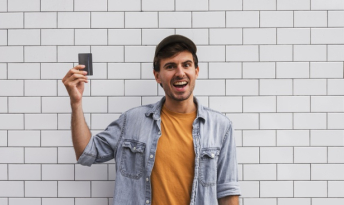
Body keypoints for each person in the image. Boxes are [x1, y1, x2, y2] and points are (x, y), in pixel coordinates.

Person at [62, 35, 241, 205]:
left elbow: (228, 193)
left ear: (196, 71)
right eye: (170, 66)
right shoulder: (132, 121)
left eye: (186, 65)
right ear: (157, 76)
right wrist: (76, 103)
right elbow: (86, 152)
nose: (180, 73)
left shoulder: (220, 127)